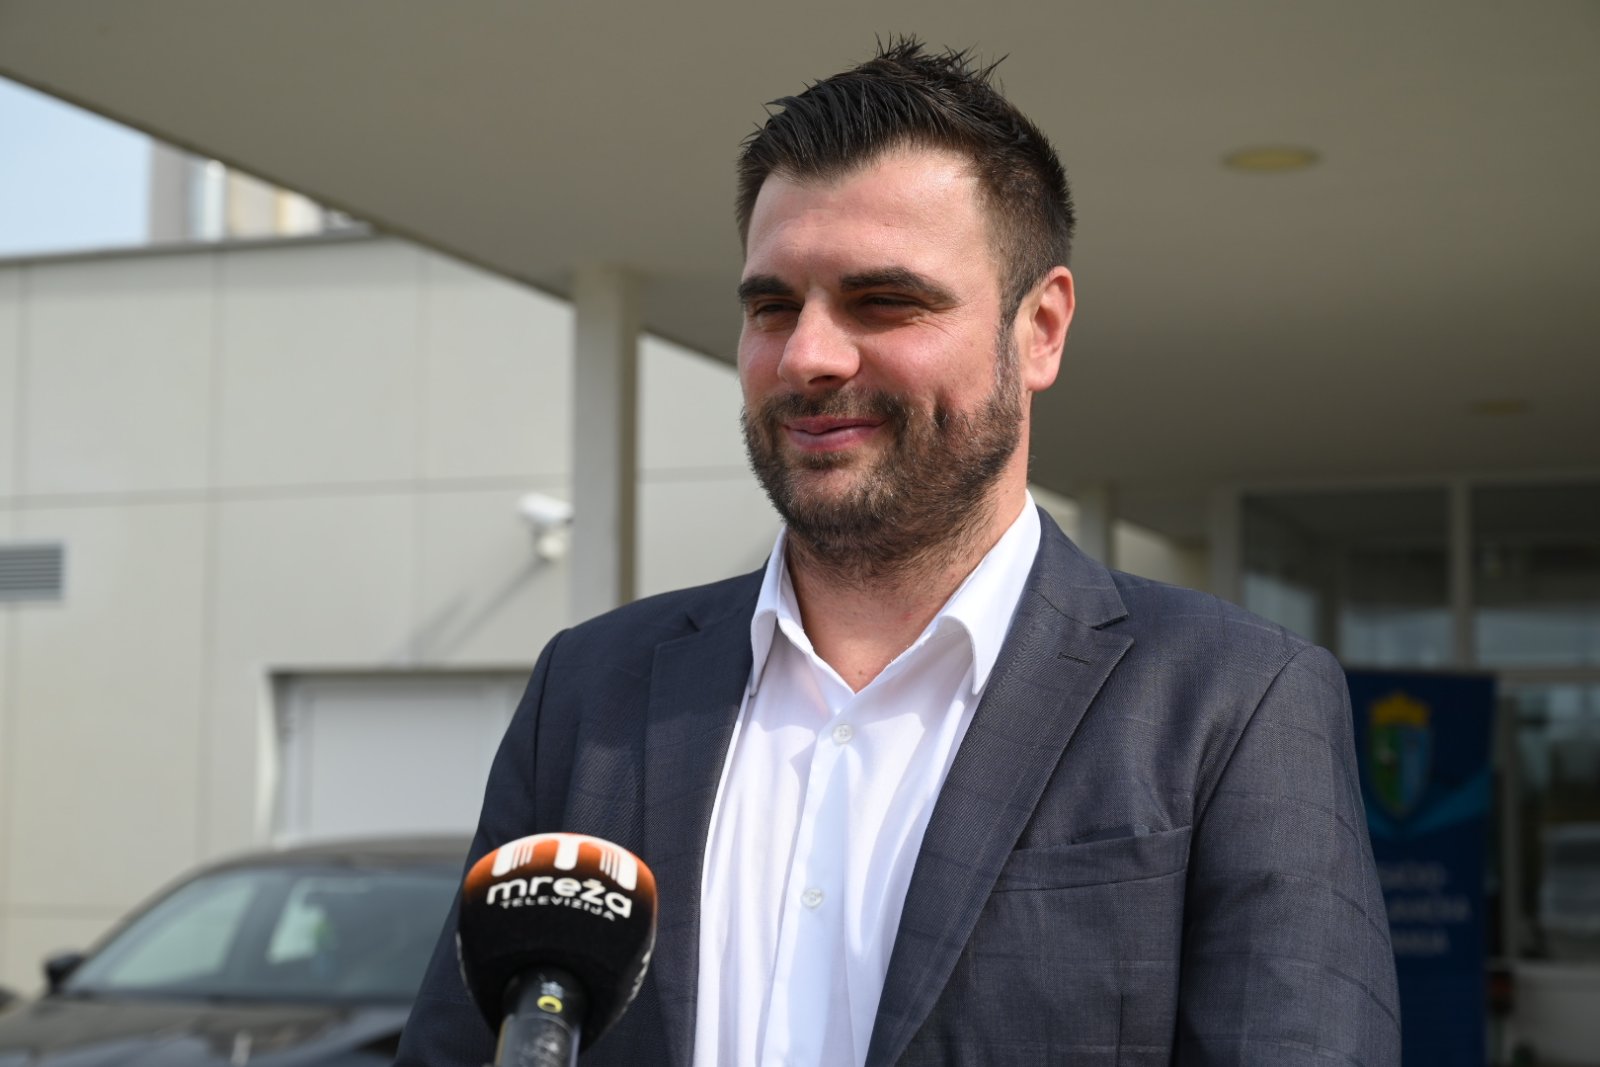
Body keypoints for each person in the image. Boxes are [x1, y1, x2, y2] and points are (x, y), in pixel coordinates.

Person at [397, 39, 1399, 1067]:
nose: (807, 356)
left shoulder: (1230, 702)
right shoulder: (591, 691)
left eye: (884, 301)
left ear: (1040, 328)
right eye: (772, 306)